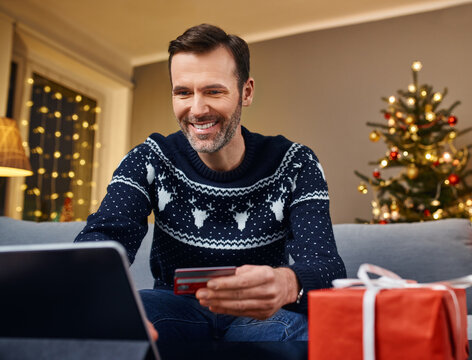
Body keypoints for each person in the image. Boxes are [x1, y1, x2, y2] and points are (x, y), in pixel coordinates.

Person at [74, 23, 345, 358]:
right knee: (133, 314)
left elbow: (327, 267)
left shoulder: (295, 163)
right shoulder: (150, 158)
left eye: (213, 91)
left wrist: (287, 282)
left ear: (246, 92)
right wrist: (108, 307)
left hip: (263, 317)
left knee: (300, 334)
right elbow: (102, 240)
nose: (197, 109)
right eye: (183, 92)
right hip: (175, 309)